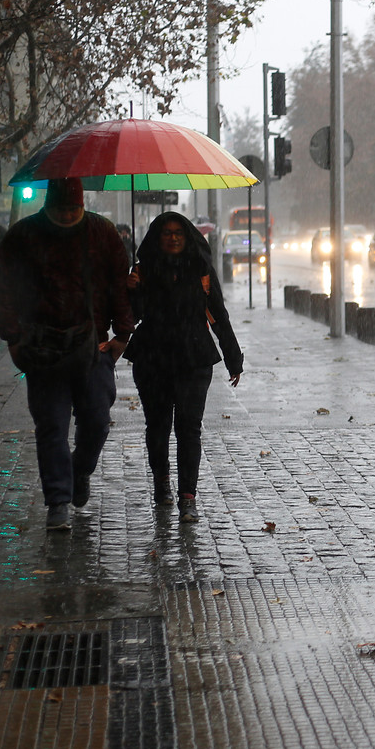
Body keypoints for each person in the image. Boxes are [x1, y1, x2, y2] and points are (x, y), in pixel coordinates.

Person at [0, 177, 134, 531]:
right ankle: (58, 500)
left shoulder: (102, 233)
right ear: (48, 206)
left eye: (74, 208)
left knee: (97, 419)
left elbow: (119, 282)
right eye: (61, 209)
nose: (68, 215)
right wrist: (13, 338)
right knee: (51, 426)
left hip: (94, 344)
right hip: (42, 347)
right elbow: (4, 288)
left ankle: (79, 470)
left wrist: (123, 334)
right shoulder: (23, 236)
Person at [124, 211, 242, 523]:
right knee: (158, 425)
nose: (173, 237)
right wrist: (131, 289)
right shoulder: (143, 270)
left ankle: (187, 496)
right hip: (152, 359)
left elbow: (217, 312)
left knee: (189, 428)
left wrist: (233, 356)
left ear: (187, 236)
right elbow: (131, 317)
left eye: (179, 232)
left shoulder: (200, 270)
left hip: (194, 358)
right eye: (167, 233)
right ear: (157, 238)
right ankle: (161, 482)